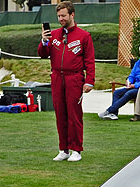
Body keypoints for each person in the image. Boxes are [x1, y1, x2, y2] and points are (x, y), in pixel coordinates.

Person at [38, 1, 95, 162]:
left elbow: (90, 60)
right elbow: (43, 54)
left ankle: (76, 149)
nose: (61, 19)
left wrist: (89, 80)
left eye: (63, 15)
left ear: (72, 15)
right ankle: (63, 149)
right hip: (56, 77)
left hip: (74, 78)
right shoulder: (54, 34)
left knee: (74, 115)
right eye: (58, 16)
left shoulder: (84, 36)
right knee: (60, 115)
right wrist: (43, 41)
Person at [98, 43, 140, 120]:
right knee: (117, 92)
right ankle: (113, 114)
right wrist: (128, 81)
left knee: (129, 93)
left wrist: (134, 86)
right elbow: (132, 75)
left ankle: (108, 111)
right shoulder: (137, 63)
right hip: (133, 86)